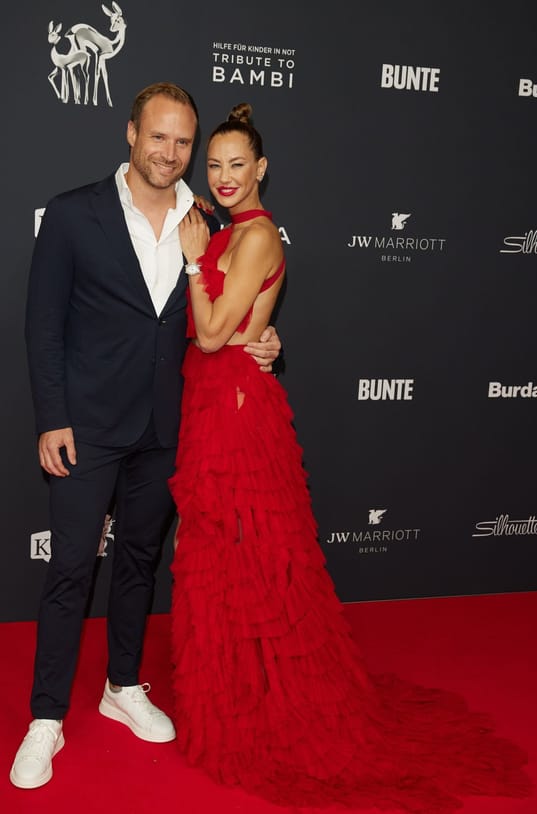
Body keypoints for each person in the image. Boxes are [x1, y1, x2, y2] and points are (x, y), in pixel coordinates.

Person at [168, 103, 532, 810]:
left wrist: (191, 264)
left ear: (262, 168)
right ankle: (237, 689)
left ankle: (265, 702)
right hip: (214, 404)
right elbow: (231, 330)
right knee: (221, 557)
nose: (225, 176)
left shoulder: (258, 237)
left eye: (237, 164)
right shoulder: (226, 230)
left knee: (248, 559)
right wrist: (230, 298)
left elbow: (212, 334)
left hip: (236, 413)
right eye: (214, 165)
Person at [10, 83, 281, 790]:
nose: (171, 153)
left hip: (169, 423)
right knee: (72, 569)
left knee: (137, 561)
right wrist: (51, 417)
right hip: (88, 426)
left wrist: (264, 337)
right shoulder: (73, 214)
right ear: (131, 134)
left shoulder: (208, 221)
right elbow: (43, 326)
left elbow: (226, 311)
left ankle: (122, 686)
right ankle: (46, 717)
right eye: (158, 137)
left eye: (183, 142)